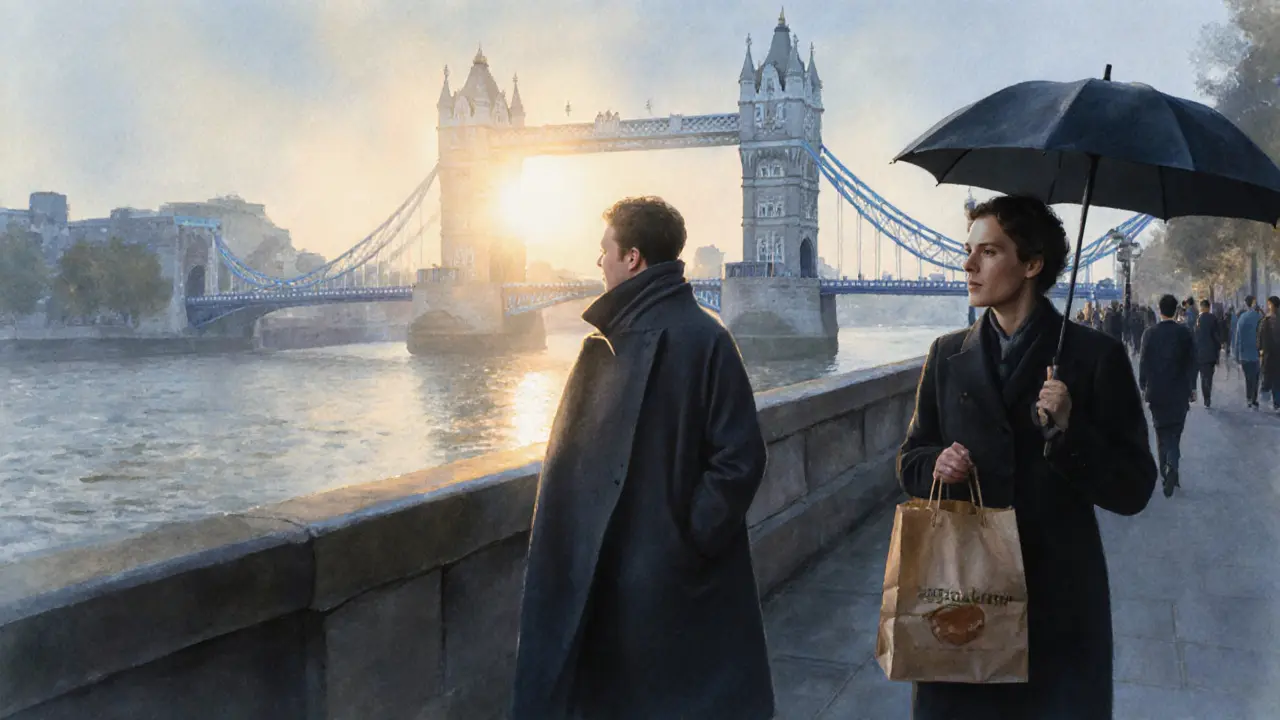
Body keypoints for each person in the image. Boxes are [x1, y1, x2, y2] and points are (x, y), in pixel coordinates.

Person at [510, 196, 773, 720]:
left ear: (632, 258)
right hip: (611, 577)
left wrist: (684, 540)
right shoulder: (615, 342)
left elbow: (741, 458)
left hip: (668, 579)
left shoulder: (703, 339)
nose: (599, 263)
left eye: (604, 250)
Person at [898, 195, 1157, 719]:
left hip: (1058, 604)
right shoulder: (946, 354)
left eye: (988, 252)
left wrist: (1069, 433)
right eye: (967, 252)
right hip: (962, 596)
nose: (968, 266)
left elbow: (1134, 489)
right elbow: (910, 460)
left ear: (1032, 264)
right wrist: (937, 466)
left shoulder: (1094, 358)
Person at [1139, 294, 1197, 496]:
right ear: (1176, 310)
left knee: (1161, 433)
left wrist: (1143, 384)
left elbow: (1144, 361)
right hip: (1179, 391)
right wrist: (1192, 388)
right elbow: (1192, 362)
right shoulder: (1185, 333)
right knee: (1175, 432)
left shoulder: (1149, 333)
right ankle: (1173, 466)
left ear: (1159, 309)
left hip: (1157, 392)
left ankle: (1166, 470)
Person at [1193, 299, 1224, 407]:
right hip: (1211, 353)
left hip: (1200, 353)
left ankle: (1206, 398)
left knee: (1203, 376)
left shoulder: (1198, 320)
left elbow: (1195, 337)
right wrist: (1218, 349)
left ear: (1202, 307)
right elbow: (1216, 336)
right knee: (1209, 376)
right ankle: (1208, 396)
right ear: (1208, 307)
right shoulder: (1213, 318)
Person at [1235, 296, 1263, 409]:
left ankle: (1249, 399)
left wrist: (1237, 354)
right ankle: (1254, 398)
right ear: (1254, 303)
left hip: (1244, 353)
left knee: (1248, 377)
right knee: (1256, 377)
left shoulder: (1242, 318)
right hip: (1256, 353)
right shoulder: (1259, 317)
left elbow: (1238, 337)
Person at [1260, 296, 1280, 412]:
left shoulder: (1267, 320)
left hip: (1271, 355)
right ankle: (1277, 402)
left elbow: (1262, 339)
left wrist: (1262, 353)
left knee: (1274, 379)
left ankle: (1276, 403)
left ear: (1271, 305)